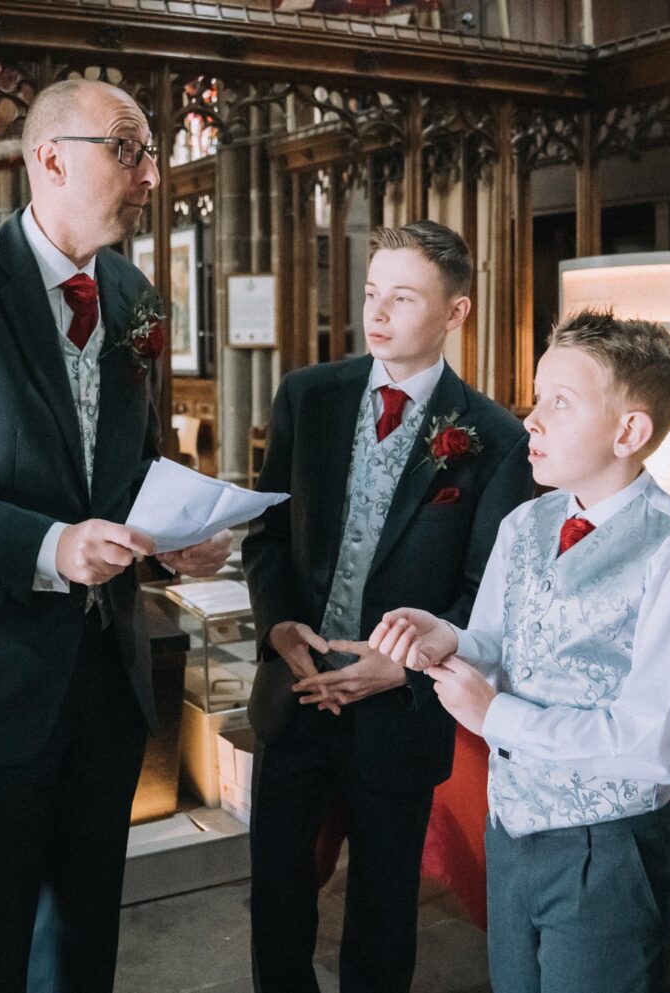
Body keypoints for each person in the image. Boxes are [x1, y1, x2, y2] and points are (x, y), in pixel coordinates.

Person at [0, 78, 231, 993]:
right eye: (128, 148)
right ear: (48, 157)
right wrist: (53, 545)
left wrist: (171, 537)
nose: (151, 173)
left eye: (151, 152)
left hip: (104, 675)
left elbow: (132, 465)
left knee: (83, 941)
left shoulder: (132, 292)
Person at [372, 310, 670, 993]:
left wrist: (495, 715)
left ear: (630, 431)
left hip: (606, 848)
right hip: (511, 828)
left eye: (559, 404)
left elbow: (656, 743)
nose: (531, 419)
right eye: (537, 397)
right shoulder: (527, 521)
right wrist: (446, 637)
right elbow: (497, 642)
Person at [242, 221, 532, 993]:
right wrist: (277, 628)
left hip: (399, 710)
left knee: (381, 910)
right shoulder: (308, 397)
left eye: (403, 298)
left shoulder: (494, 439)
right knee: (275, 896)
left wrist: (401, 668)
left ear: (455, 313)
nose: (378, 312)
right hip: (296, 690)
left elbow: (484, 590)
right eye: (373, 293)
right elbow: (266, 534)